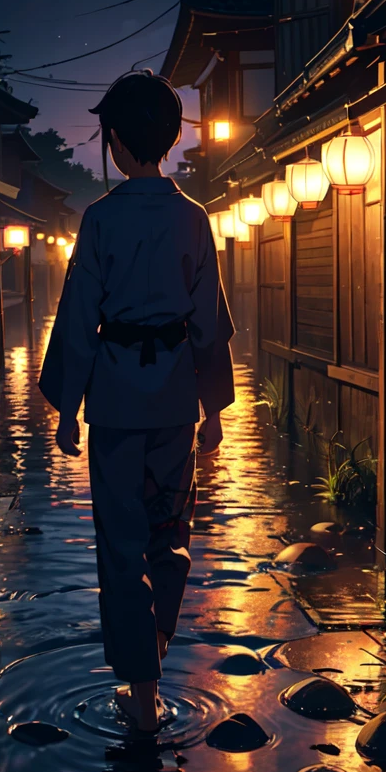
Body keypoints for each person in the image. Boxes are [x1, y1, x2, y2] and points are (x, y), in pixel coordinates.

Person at [39, 70, 235, 732]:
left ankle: (142, 696)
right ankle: (154, 649)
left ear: (118, 142)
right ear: (170, 137)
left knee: (121, 545)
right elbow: (208, 318)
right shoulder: (194, 219)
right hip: (177, 398)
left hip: (118, 402)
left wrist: (68, 407)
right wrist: (212, 407)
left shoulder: (100, 221)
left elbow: (77, 319)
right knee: (169, 535)